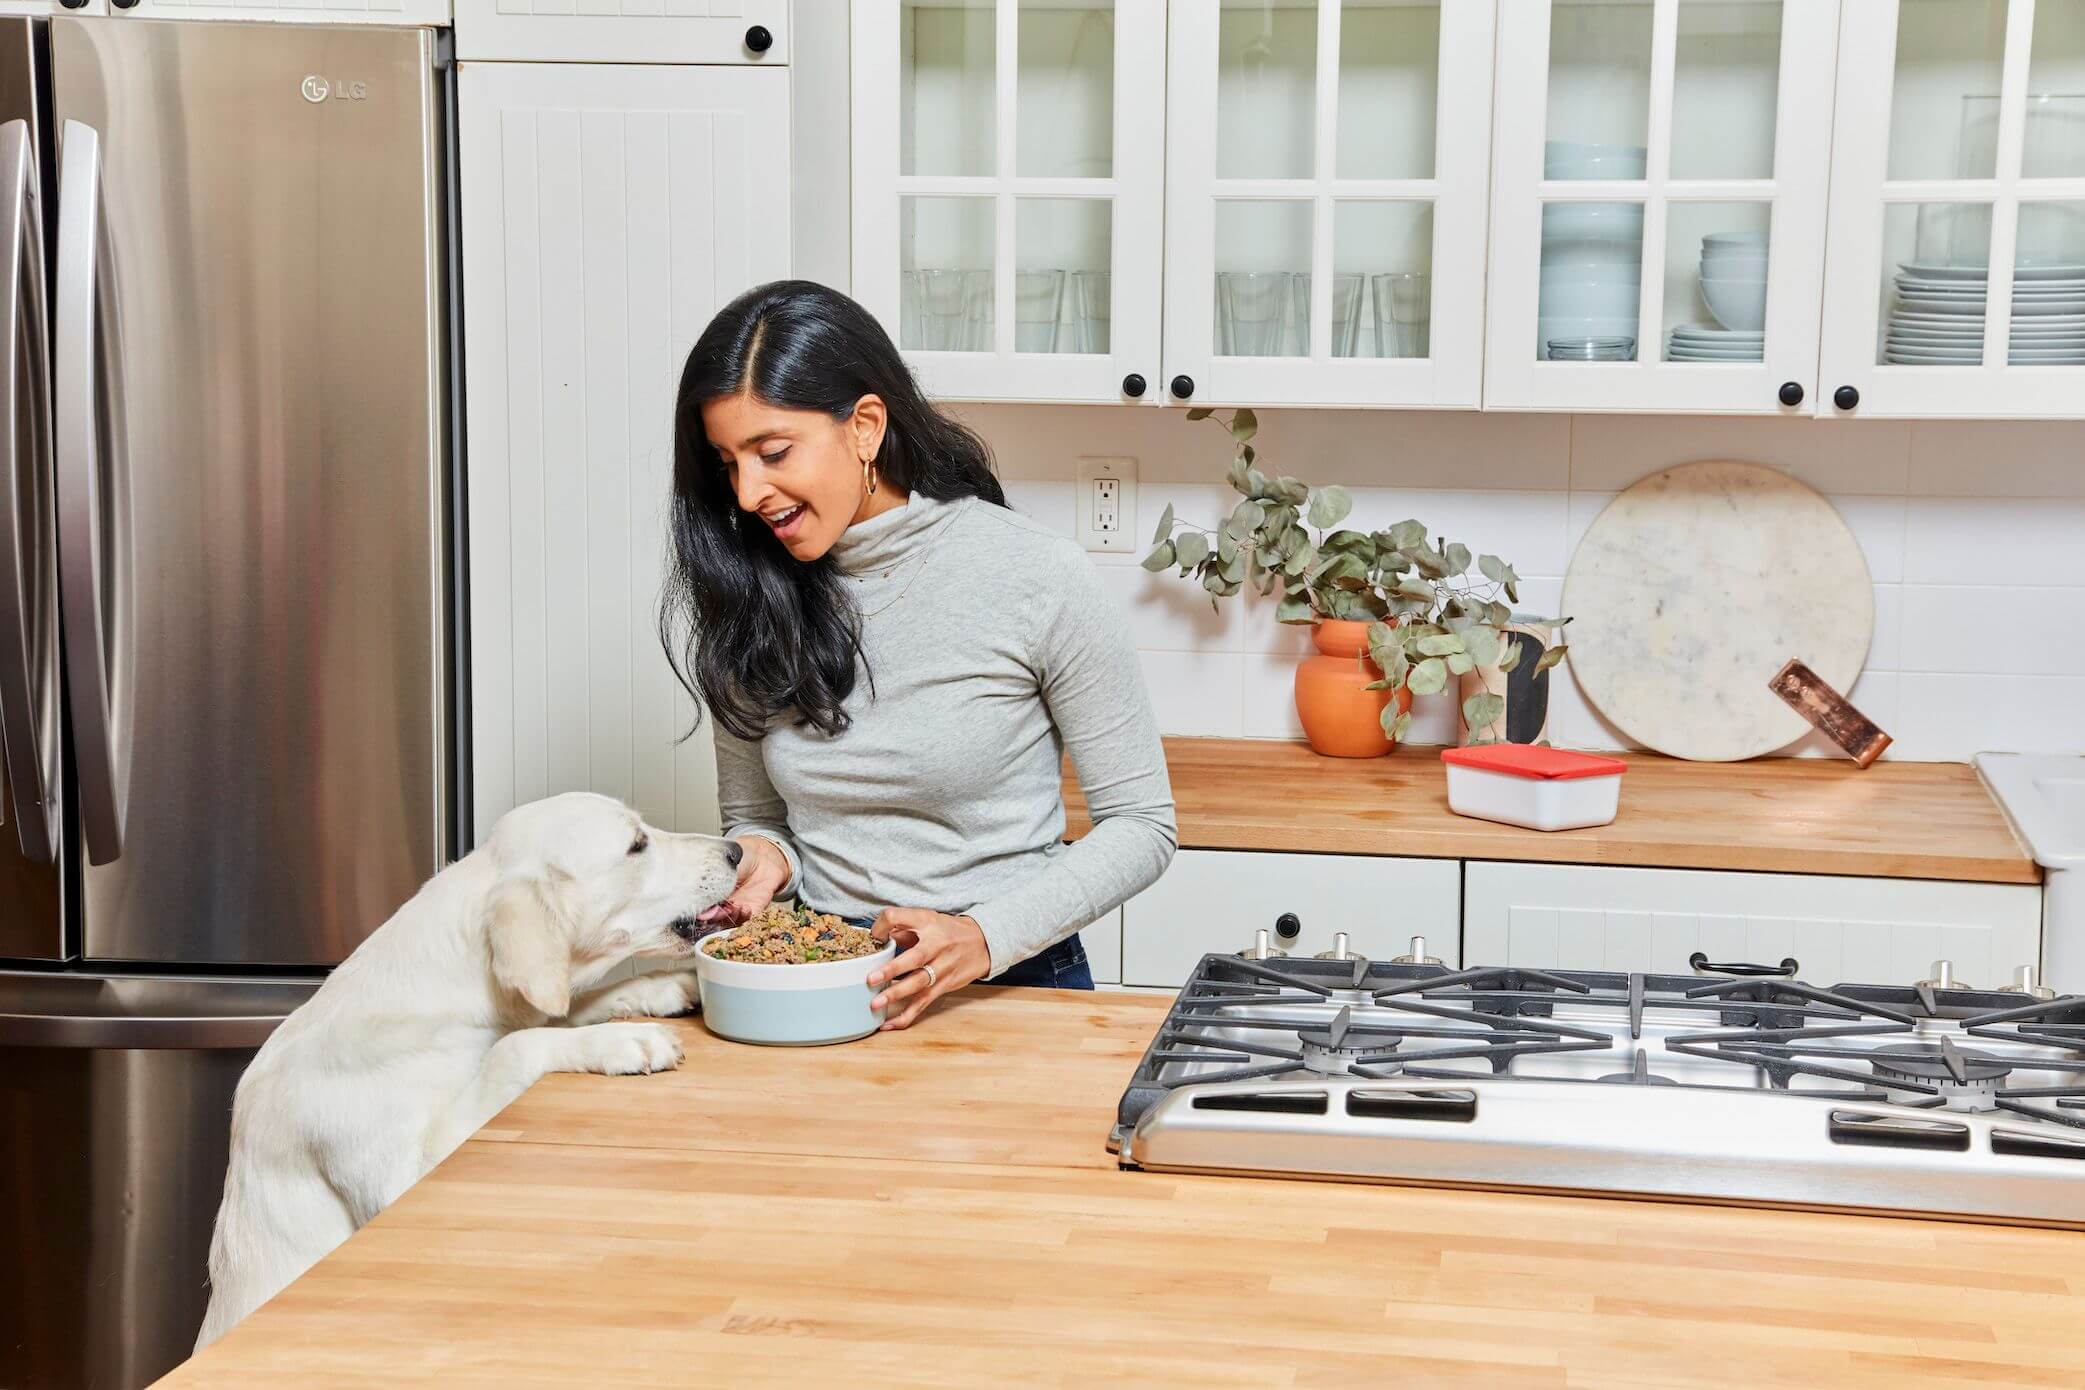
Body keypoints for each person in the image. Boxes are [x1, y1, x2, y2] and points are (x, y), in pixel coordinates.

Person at [660, 280, 1176, 1030]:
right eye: (726, 462)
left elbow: (1142, 825)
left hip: (1014, 983)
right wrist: (760, 856)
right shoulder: (749, 594)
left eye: (772, 453)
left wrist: (981, 937)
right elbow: (757, 817)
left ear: (865, 426)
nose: (746, 493)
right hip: (821, 980)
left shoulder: (1033, 576)